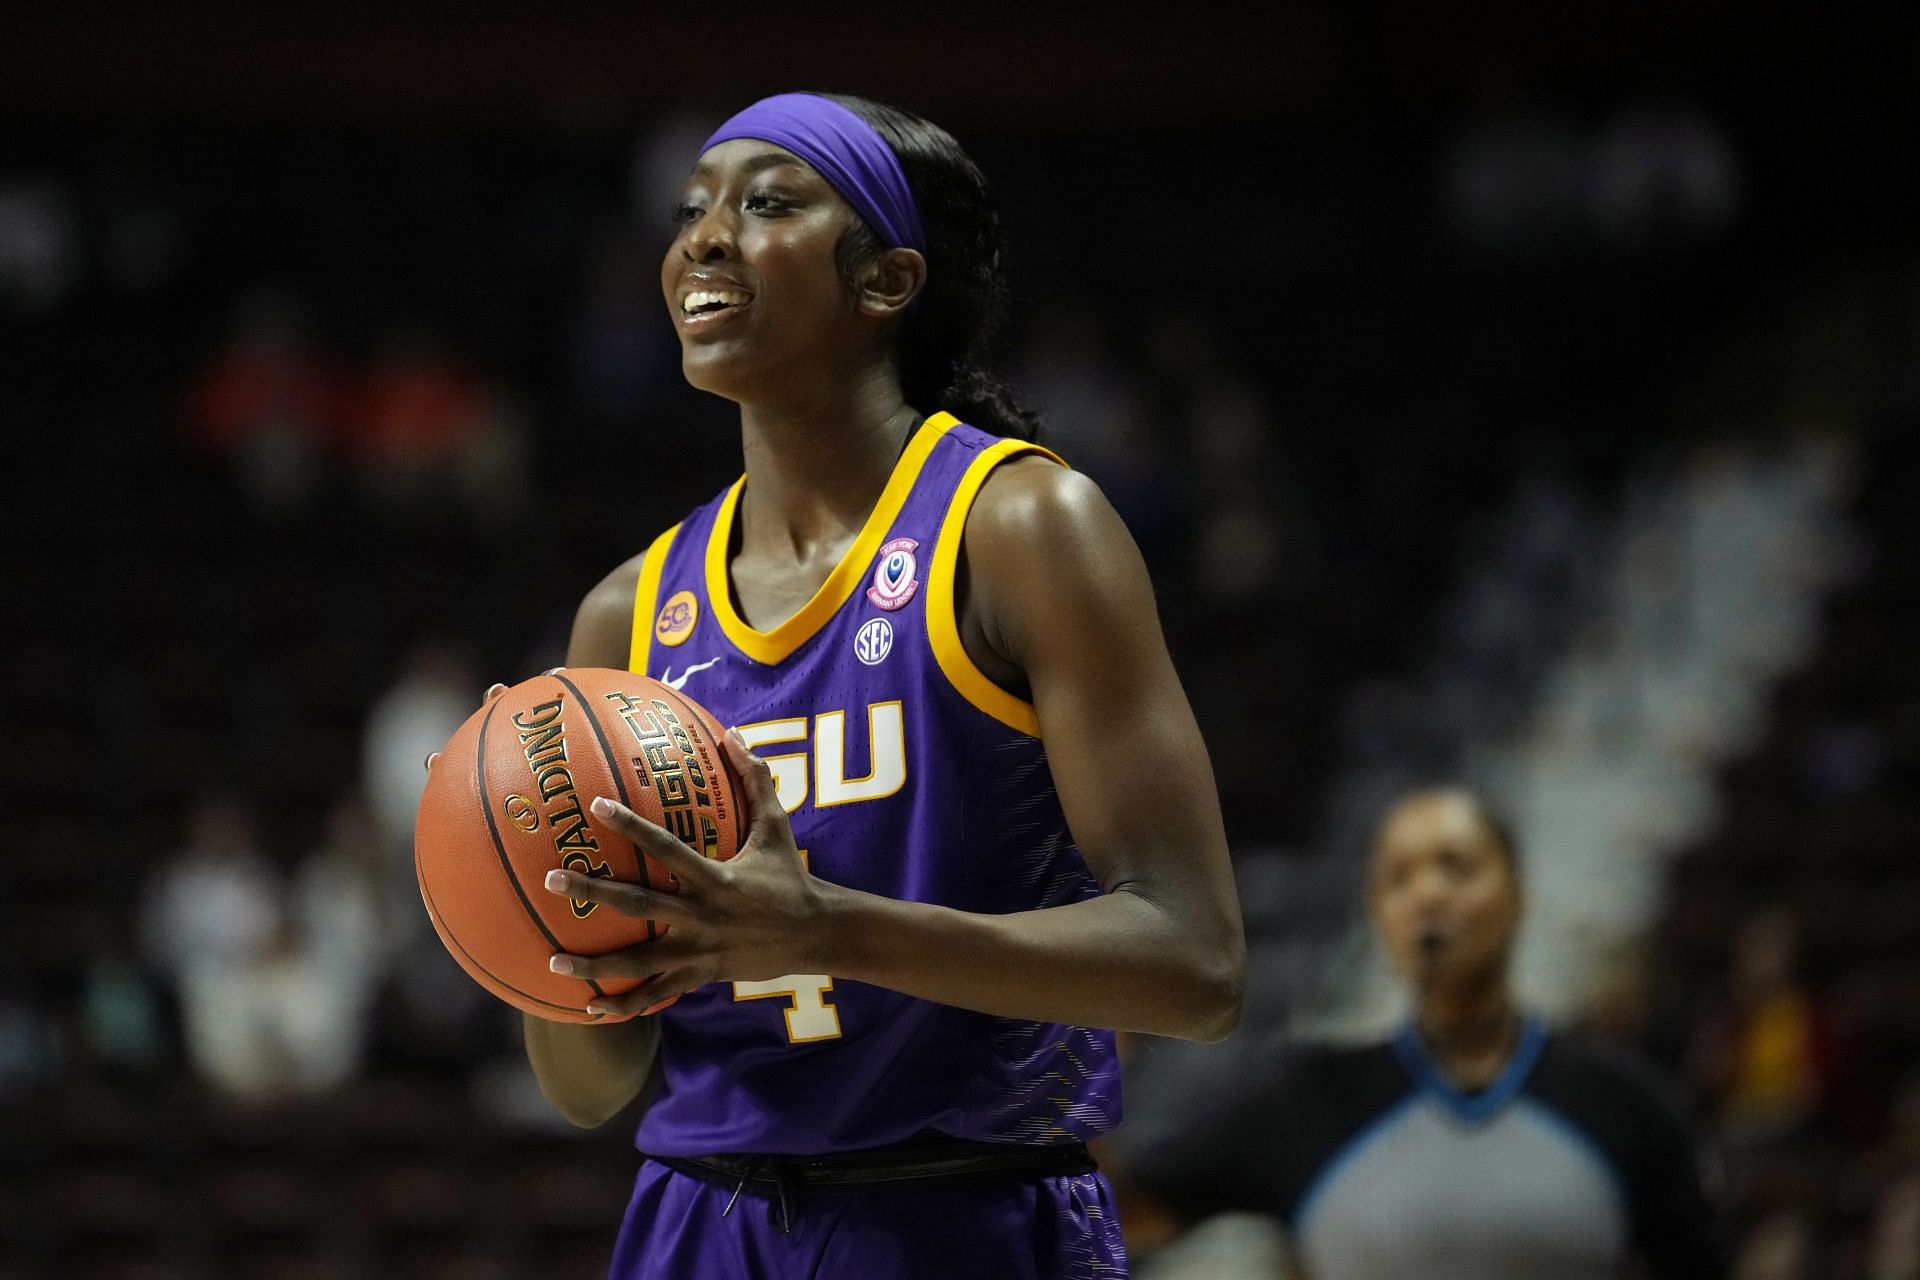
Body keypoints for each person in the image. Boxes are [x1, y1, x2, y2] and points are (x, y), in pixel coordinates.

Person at [445, 92, 1245, 1278]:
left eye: (765, 202)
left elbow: (1196, 963)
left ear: (886, 280)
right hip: (696, 1224)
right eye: (691, 210)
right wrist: (534, 918)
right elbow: (588, 1087)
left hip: (969, 1215)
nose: (702, 238)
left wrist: (836, 931)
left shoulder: (1021, 526)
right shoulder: (627, 608)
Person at [1128, 787, 1727, 1279]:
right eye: (1399, 879)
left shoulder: (1623, 1103)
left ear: (1518, 895)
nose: (1427, 894)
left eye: (1457, 867)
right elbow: (1111, 1215)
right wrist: (1081, 1061)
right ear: (1379, 914)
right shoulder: (1310, 1098)